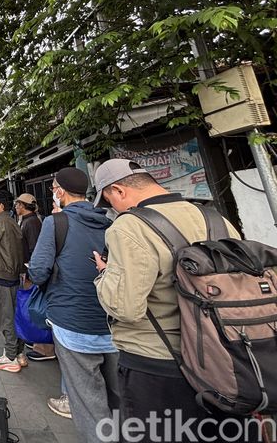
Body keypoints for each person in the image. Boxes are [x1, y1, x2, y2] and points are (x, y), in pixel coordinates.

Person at [93, 158, 242, 440]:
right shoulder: (214, 218)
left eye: (109, 199)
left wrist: (104, 275)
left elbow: (125, 308)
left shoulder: (130, 227)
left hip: (158, 363)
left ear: (119, 190)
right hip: (227, 360)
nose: (111, 207)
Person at [28, 167, 118, 443]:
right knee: (117, 397)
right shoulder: (110, 223)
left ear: (60, 192)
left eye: (54, 187)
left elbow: (39, 271)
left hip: (71, 321)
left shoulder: (55, 223)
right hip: (113, 323)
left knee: (88, 402)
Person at [0, 189, 27, 372]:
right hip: (14, 275)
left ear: (1, 205)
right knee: (14, 315)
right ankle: (18, 353)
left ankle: (10, 356)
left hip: (0, 275)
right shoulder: (14, 222)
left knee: (5, 316)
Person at [15, 193, 42, 263]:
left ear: (22, 205)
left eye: (17, 204)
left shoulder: (31, 222)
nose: (15, 207)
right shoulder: (26, 220)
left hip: (31, 265)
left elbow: (34, 248)